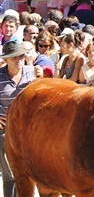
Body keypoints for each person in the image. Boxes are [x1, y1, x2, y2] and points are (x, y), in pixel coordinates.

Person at [0, 41, 41, 196]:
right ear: (5, 60)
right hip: (5, 130)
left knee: (26, 173)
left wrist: (40, 78)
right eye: (14, 57)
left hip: (29, 131)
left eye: (21, 56)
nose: (18, 60)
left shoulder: (33, 72)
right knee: (10, 174)